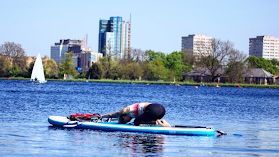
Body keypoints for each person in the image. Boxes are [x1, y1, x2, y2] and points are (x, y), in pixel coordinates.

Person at [101, 103, 171, 127]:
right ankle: (163, 122)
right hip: (161, 110)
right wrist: (106, 120)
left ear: (123, 115)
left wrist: (101, 116)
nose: (126, 121)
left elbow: (113, 114)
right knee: (141, 120)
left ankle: (158, 123)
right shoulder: (133, 114)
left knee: (136, 122)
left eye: (124, 120)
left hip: (154, 109)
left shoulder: (126, 110)